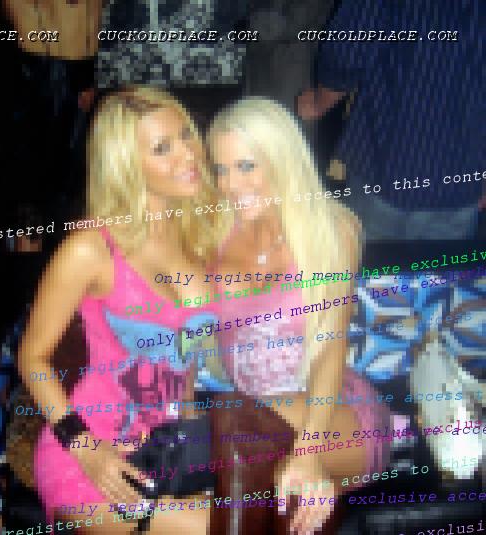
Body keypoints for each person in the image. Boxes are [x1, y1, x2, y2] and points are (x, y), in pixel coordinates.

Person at [18, 86, 222, 534]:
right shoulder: (91, 248)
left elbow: (185, 365)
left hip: (166, 451)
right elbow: (32, 358)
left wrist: (194, 446)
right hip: (91, 456)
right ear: (126, 164)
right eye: (163, 148)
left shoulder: (200, 235)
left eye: (186, 135)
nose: (188, 154)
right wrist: (86, 448)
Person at [208, 97, 391, 533]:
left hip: (333, 414)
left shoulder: (332, 230)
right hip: (252, 423)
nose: (231, 185)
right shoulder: (212, 232)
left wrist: (309, 452)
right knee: (261, 470)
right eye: (221, 169)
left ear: (282, 159)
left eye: (246, 166)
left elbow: (330, 345)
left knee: (244, 427)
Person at [297, 0, 486, 241]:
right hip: (459, 184)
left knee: (368, 261)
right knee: (439, 266)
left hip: (382, 170)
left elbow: (349, 47)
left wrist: (318, 102)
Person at [0, 0, 103, 240]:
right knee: (29, 206)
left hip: (76, 79)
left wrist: (93, 80)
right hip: (36, 83)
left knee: (76, 198)